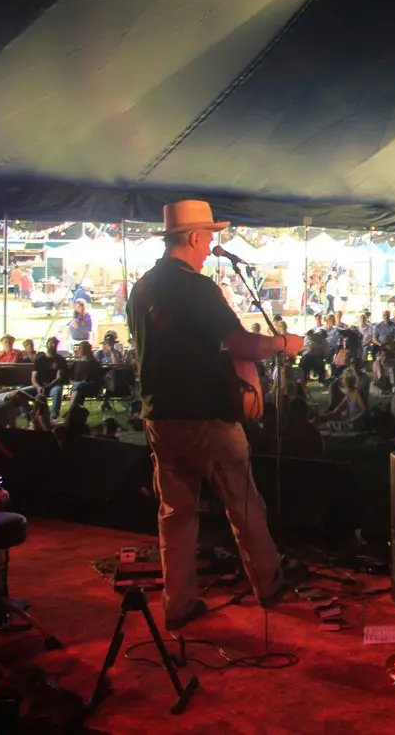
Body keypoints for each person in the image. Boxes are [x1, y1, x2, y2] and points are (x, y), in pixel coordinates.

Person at [127, 200, 307, 632]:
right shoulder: (198, 288)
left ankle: (179, 604)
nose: (210, 246)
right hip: (207, 416)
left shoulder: (142, 288)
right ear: (192, 237)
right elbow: (242, 344)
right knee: (244, 505)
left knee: (176, 513)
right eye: (208, 237)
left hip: (160, 416)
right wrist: (284, 345)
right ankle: (268, 584)